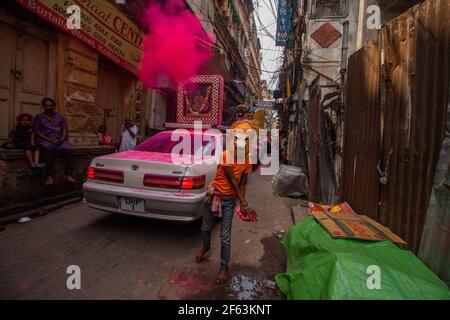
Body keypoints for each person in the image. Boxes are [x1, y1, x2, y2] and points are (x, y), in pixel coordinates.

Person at [195, 120, 257, 284]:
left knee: (225, 236)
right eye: (238, 138)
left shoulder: (247, 160)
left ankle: (224, 267)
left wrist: (243, 202)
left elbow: (242, 182)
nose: (241, 142)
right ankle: (206, 247)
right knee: (206, 227)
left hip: (229, 201)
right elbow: (232, 181)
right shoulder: (225, 155)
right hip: (214, 195)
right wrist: (244, 203)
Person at [33, 97, 76, 186]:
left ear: (54, 106)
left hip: (59, 140)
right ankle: (49, 176)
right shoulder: (39, 117)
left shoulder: (60, 117)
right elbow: (37, 131)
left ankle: (68, 175)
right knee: (47, 150)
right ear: (43, 106)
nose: (49, 107)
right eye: (46, 105)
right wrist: (49, 140)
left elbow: (64, 128)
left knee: (68, 150)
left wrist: (63, 138)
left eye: (51, 105)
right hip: (45, 139)